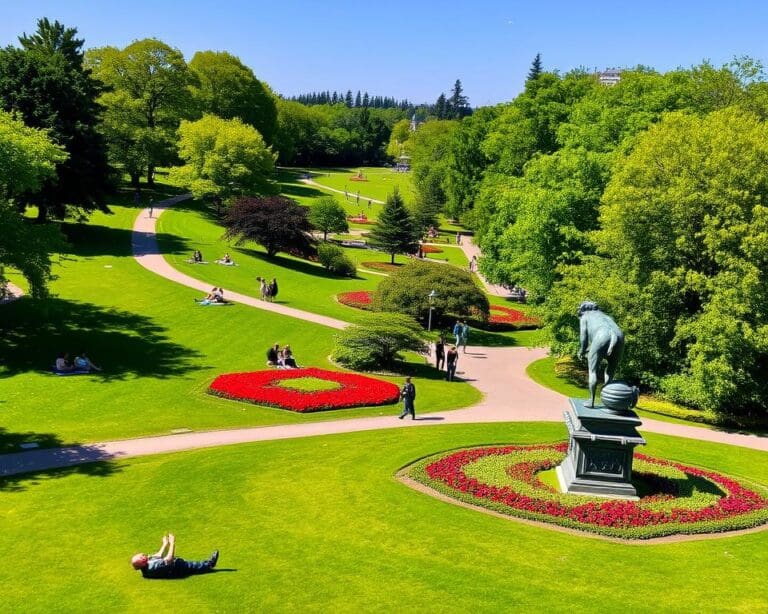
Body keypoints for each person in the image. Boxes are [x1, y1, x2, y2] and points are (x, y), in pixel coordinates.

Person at [131, 533, 218, 579]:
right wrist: (172, 543)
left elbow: (157, 556)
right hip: (176, 568)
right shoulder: (152, 567)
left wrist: (165, 544)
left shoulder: (146, 565)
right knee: (192, 566)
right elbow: (169, 559)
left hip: (174, 567)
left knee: (191, 566)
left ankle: (208, 565)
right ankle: (210, 564)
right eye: (141, 557)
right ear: (142, 563)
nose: (143, 555)